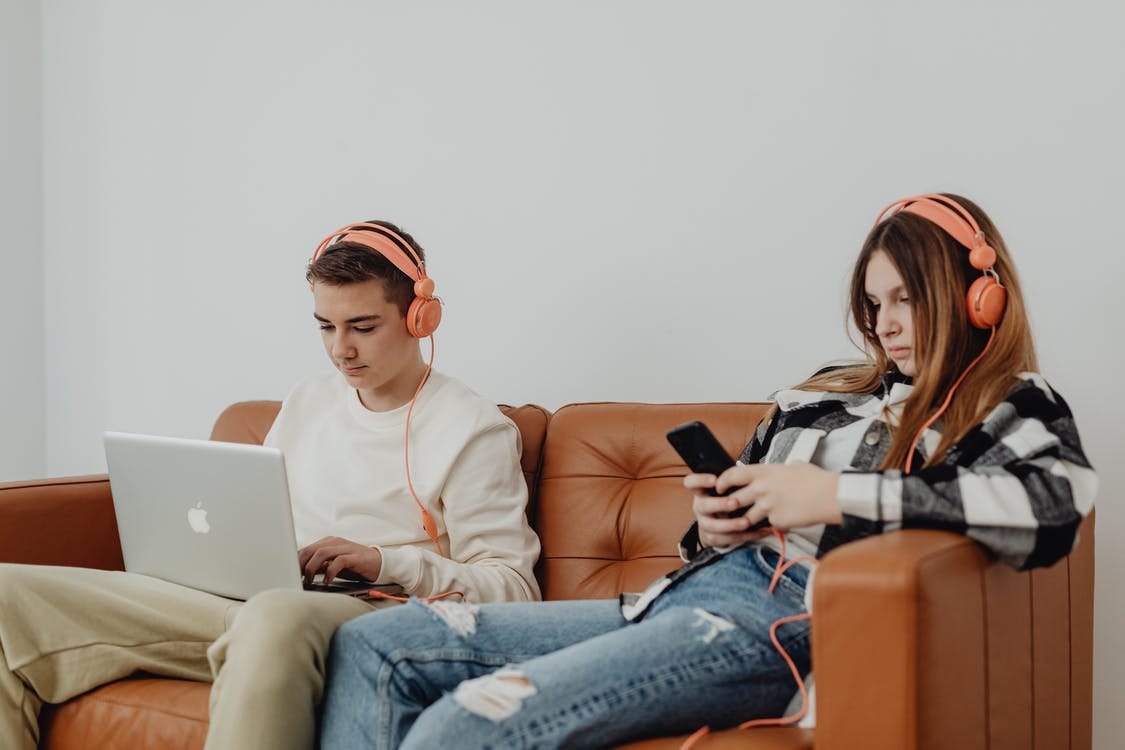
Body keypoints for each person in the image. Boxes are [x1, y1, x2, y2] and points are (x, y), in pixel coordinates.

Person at [318, 194, 1097, 750]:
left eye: (907, 299)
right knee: (378, 646)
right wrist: (721, 523)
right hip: (674, 599)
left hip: (772, 624)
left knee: (471, 721)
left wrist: (830, 496)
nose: (887, 324)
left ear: (977, 297)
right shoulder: (817, 397)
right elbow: (708, 536)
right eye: (874, 303)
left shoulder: (1007, 401)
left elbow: (1058, 501)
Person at [0, 220, 541, 750]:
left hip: (369, 613)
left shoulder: (472, 429)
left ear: (420, 317)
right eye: (326, 327)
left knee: (274, 615)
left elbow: (515, 591)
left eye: (363, 326)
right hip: (258, 601)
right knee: (7, 594)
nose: (340, 350)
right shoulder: (309, 399)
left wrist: (384, 561)